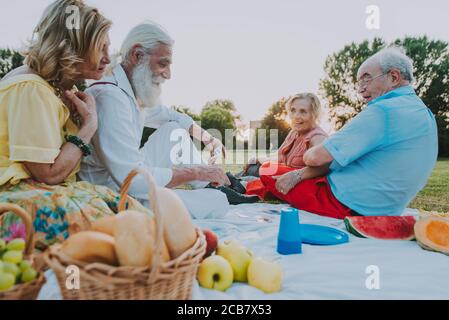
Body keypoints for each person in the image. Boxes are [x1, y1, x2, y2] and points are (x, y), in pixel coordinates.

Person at [0, 0, 148, 250]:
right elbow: (48, 174)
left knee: (129, 209)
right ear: (72, 46)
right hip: (12, 197)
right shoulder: (31, 88)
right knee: (104, 225)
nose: (107, 58)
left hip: (37, 189)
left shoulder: (54, 88)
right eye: (99, 48)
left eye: (108, 47)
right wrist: (89, 125)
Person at [79, 22, 252, 219]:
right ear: (137, 56)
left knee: (173, 130)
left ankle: (214, 185)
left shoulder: (127, 89)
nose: (168, 75)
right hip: (114, 194)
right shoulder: (111, 96)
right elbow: (132, 179)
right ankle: (214, 190)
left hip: (128, 178)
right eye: (163, 63)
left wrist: (208, 139)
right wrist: (194, 172)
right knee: (216, 203)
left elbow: (171, 116)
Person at [258, 47, 438, 219]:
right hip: (389, 209)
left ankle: (248, 187)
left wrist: (300, 172)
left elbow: (313, 158)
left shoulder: (383, 110)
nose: (360, 89)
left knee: (267, 170)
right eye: (359, 82)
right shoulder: (425, 114)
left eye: (366, 79)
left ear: (393, 77)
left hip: (343, 203)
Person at [240, 93, 328, 200]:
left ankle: (241, 184)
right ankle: (233, 181)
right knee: (253, 167)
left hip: (292, 183)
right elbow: (279, 157)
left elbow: (326, 165)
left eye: (303, 111)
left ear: (314, 114)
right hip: (279, 174)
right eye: (293, 110)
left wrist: (297, 176)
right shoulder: (294, 132)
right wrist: (258, 158)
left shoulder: (318, 137)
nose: (296, 116)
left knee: (264, 171)